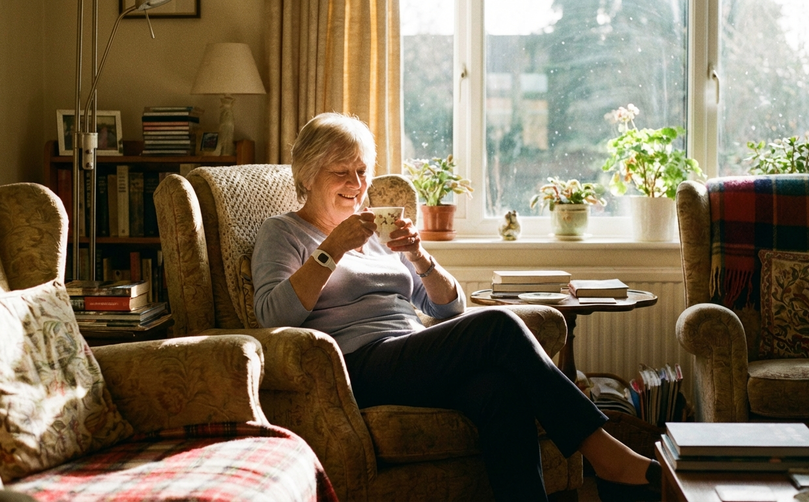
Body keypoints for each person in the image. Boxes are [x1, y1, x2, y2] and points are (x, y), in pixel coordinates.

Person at [251, 112, 661, 502]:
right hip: (354, 365)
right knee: (498, 324)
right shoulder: (283, 232)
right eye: (341, 171)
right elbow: (273, 315)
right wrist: (332, 249)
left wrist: (418, 256)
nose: (356, 183)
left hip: (411, 353)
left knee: (499, 392)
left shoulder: (376, 231)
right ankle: (607, 457)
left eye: (361, 170)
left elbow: (447, 309)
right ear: (308, 174)